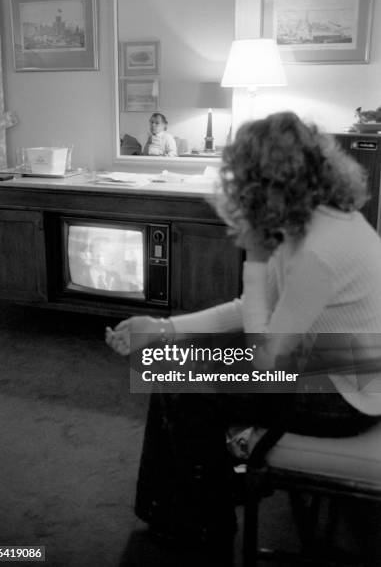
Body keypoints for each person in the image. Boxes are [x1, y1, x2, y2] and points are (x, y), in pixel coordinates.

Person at [106, 112, 381, 562]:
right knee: (174, 360)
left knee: (185, 387)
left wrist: (253, 260)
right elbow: (252, 314)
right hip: (331, 362)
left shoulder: (319, 250)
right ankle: (177, 507)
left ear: (269, 181)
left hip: (348, 397)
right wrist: (162, 328)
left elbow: (265, 358)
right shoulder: (318, 219)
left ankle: (204, 526)